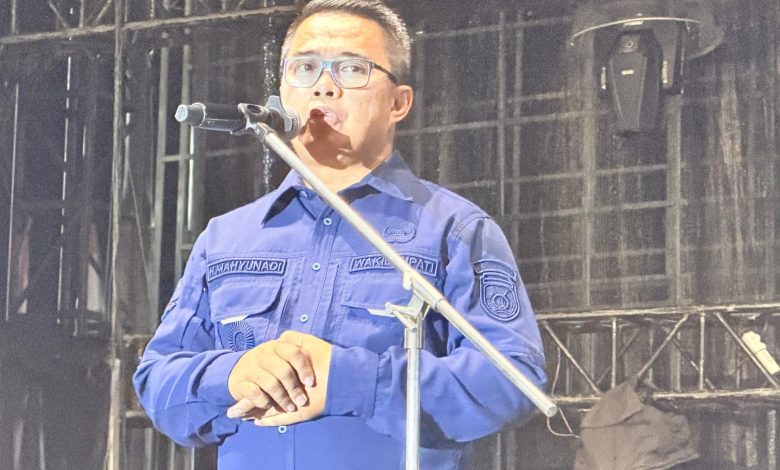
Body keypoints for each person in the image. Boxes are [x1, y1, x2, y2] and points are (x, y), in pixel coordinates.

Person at [133, 1, 547, 469]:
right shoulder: (225, 238)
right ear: (282, 92)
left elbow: (513, 382)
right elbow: (156, 383)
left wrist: (352, 380)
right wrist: (232, 374)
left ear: (398, 103)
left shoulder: (455, 229)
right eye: (305, 68)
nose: (324, 86)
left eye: (351, 69)